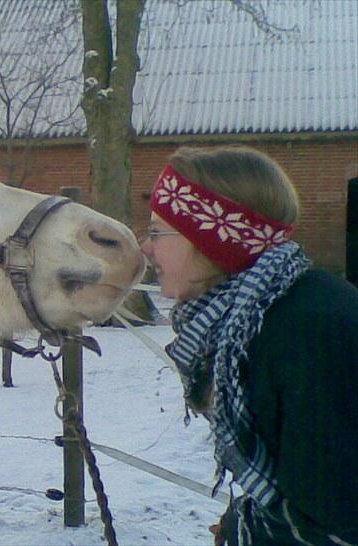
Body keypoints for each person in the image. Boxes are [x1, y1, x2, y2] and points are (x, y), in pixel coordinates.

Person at [140, 146, 358, 545]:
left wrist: (250, 532)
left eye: (157, 231)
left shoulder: (307, 331)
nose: (145, 247)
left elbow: (335, 518)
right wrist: (243, 522)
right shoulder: (256, 318)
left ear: (211, 238)